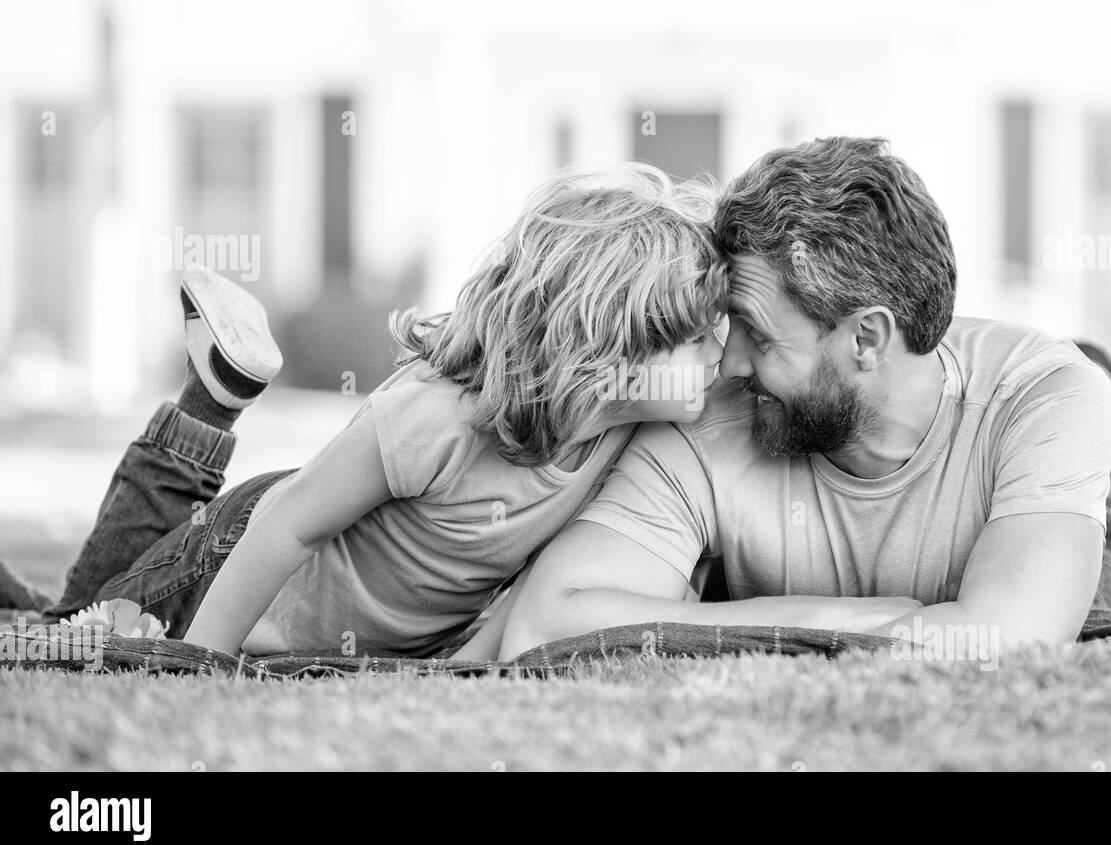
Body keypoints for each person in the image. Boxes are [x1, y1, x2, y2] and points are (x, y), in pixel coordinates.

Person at [0, 163, 729, 661]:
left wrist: (470, 669)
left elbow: (541, 573)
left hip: (324, 603)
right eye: (696, 337)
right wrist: (204, 658)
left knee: (48, 618)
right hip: (229, 561)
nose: (719, 348)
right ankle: (207, 404)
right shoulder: (439, 419)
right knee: (65, 639)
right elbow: (287, 522)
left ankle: (215, 393)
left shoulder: (627, 428)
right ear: (608, 350)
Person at [499, 136, 1111, 661]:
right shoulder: (701, 420)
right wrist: (832, 617)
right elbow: (543, 623)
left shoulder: (1042, 400)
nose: (724, 362)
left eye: (759, 335)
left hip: (1046, 423)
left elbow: (1009, 638)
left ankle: (1108, 400)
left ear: (865, 338)